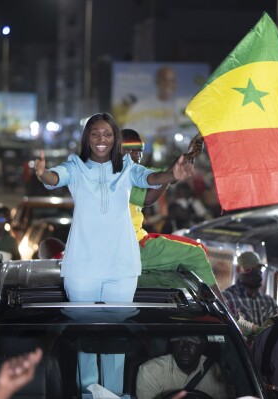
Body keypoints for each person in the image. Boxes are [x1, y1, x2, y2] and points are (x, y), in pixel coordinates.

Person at [34, 112, 193, 395]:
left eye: (107, 134)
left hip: (121, 268)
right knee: (85, 343)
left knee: (115, 344)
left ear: (115, 139)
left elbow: (151, 178)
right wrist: (42, 173)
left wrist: (173, 174)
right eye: (95, 133)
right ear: (87, 138)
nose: (101, 139)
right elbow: (55, 177)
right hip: (82, 268)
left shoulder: (128, 168)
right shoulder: (76, 166)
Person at [121, 128, 224, 300]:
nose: (135, 154)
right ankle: (227, 314)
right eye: (129, 149)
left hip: (134, 243)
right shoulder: (117, 175)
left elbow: (165, 176)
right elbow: (148, 197)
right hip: (129, 248)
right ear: (116, 150)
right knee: (196, 253)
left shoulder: (135, 171)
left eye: (139, 149)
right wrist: (172, 173)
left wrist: (186, 158)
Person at [136, 335, 227, 399]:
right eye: (179, 342)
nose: (185, 348)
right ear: (172, 346)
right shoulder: (150, 371)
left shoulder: (217, 372)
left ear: (203, 346)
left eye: (192, 342)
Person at [222, 251, 278, 334]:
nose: (256, 273)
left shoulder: (269, 301)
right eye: (249, 269)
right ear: (238, 269)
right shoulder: (227, 298)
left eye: (258, 269)